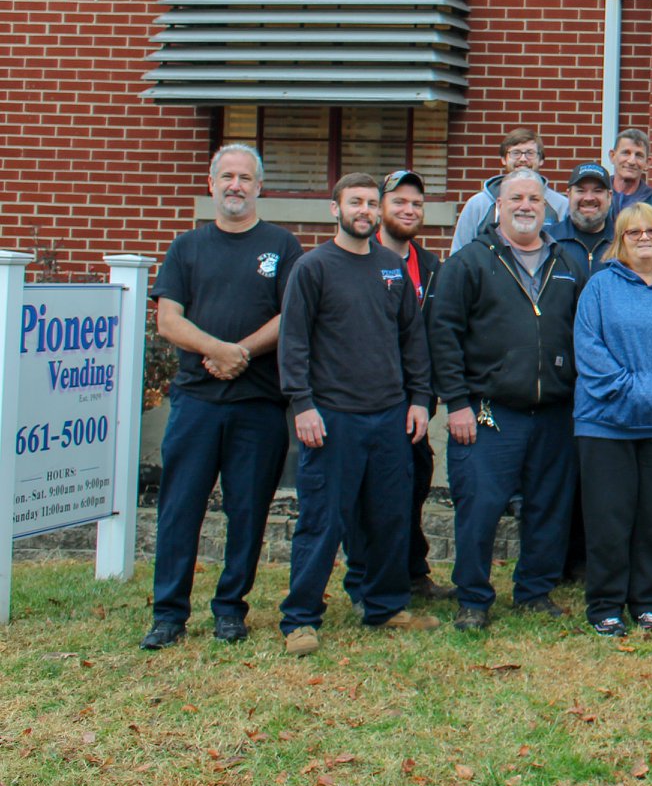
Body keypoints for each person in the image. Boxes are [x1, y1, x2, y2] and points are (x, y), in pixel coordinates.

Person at [141, 144, 303, 651]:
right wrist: (216, 350)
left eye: (245, 178)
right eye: (226, 177)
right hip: (196, 402)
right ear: (212, 184)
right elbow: (169, 319)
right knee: (179, 509)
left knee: (248, 511)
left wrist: (240, 352)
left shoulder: (282, 244)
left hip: (258, 404)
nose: (235, 185)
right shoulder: (186, 247)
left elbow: (290, 316)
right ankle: (169, 614)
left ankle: (230, 609)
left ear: (260, 187)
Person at [278, 173, 440, 656]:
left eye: (372, 203)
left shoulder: (392, 268)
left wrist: (418, 399)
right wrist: (302, 405)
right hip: (332, 418)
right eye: (356, 202)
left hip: (390, 417)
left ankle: (385, 605)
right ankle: (301, 618)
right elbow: (294, 343)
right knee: (322, 521)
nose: (365, 211)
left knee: (389, 517)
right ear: (336, 209)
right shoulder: (313, 268)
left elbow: (413, 339)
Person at [426, 169, 587, 631]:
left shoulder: (566, 264)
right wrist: (456, 403)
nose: (525, 206)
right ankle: (474, 599)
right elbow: (444, 336)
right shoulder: (470, 264)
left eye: (534, 199)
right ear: (498, 206)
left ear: (547, 208)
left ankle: (535, 591)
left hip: (555, 410)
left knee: (548, 507)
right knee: (480, 508)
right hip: (487, 412)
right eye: (515, 198)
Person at [572, 202, 652, 636]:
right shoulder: (599, 288)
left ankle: (647, 602)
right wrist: (642, 389)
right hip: (605, 424)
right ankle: (604, 605)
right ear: (620, 241)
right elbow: (590, 353)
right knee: (610, 518)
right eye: (633, 232)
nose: (644, 238)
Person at [360, 168, 453, 604]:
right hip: (364, 401)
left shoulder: (432, 268)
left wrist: (427, 395)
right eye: (399, 202)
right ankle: (367, 581)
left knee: (414, 485)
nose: (409, 210)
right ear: (380, 208)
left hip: (415, 402)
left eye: (417, 204)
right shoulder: (357, 257)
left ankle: (413, 574)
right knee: (369, 497)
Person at [450, 129, 569, 250]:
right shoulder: (478, 204)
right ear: (503, 159)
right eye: (515, 153)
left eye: (530, 153)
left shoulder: (561, 205)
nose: (523, 159)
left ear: (541, 159)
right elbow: (459, 255)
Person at [547, 162, 617, 265]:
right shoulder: (548, 240)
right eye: (581, 190)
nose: (589, 198)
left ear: (609, 197)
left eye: (597, 191)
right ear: (569, 195)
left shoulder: (623, 242)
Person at [609, 128, 652, 214]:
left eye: (639, 155)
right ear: (612, 156)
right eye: (626, 153)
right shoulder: (596, 200)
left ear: (647, 162)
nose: (631, 161)